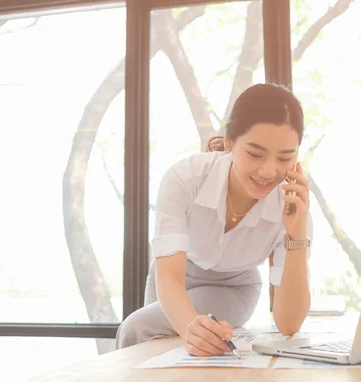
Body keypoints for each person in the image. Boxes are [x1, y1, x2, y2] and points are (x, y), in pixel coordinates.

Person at [116, 83, 313, 356]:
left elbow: (289, 323)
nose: (269, 171)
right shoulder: (184, 179)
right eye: (255, 154)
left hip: (233, 287)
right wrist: (189, 328)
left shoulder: (292, 204)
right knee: (154, 354)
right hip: (172, 278)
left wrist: (297, 234)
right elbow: (169, 276)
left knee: (135, 327)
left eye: (285, 157)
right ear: (229, 142)